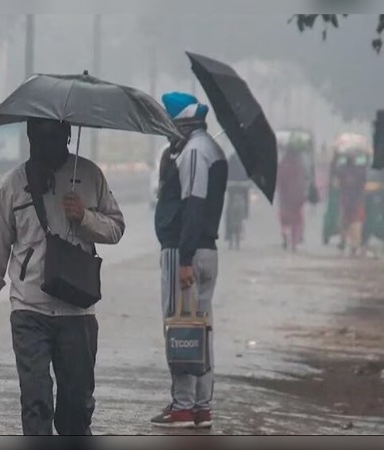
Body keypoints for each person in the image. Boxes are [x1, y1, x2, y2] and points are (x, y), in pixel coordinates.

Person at [0, 117, 125, 435]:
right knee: (36, 401)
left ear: (68, 136)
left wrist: (84, 217)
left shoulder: (89, 176)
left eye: (54, 137)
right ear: (30, 137)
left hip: (78, 311)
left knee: (76, 407)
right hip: (29, 309)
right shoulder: (14, 184)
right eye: (40, 137)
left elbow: (116, 228)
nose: (47, 145)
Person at [151, 92, 227, 429]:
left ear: (180, 121)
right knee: (200, 327)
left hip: (186, 252)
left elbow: (193, 206)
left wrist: (183, 259)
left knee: (181, 325)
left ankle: (183, 406)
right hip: (201, 250)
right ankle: (199, 405)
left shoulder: (195, 151)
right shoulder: (200, 148)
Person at [276, 143, 308, 251]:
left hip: (285, 197)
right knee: (296, 220)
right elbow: (302, 181)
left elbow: (279, 181)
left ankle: (285, 235)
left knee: (285, 218)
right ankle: (294, 242)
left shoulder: (283, 164)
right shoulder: (299, 165)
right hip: (297, 198)